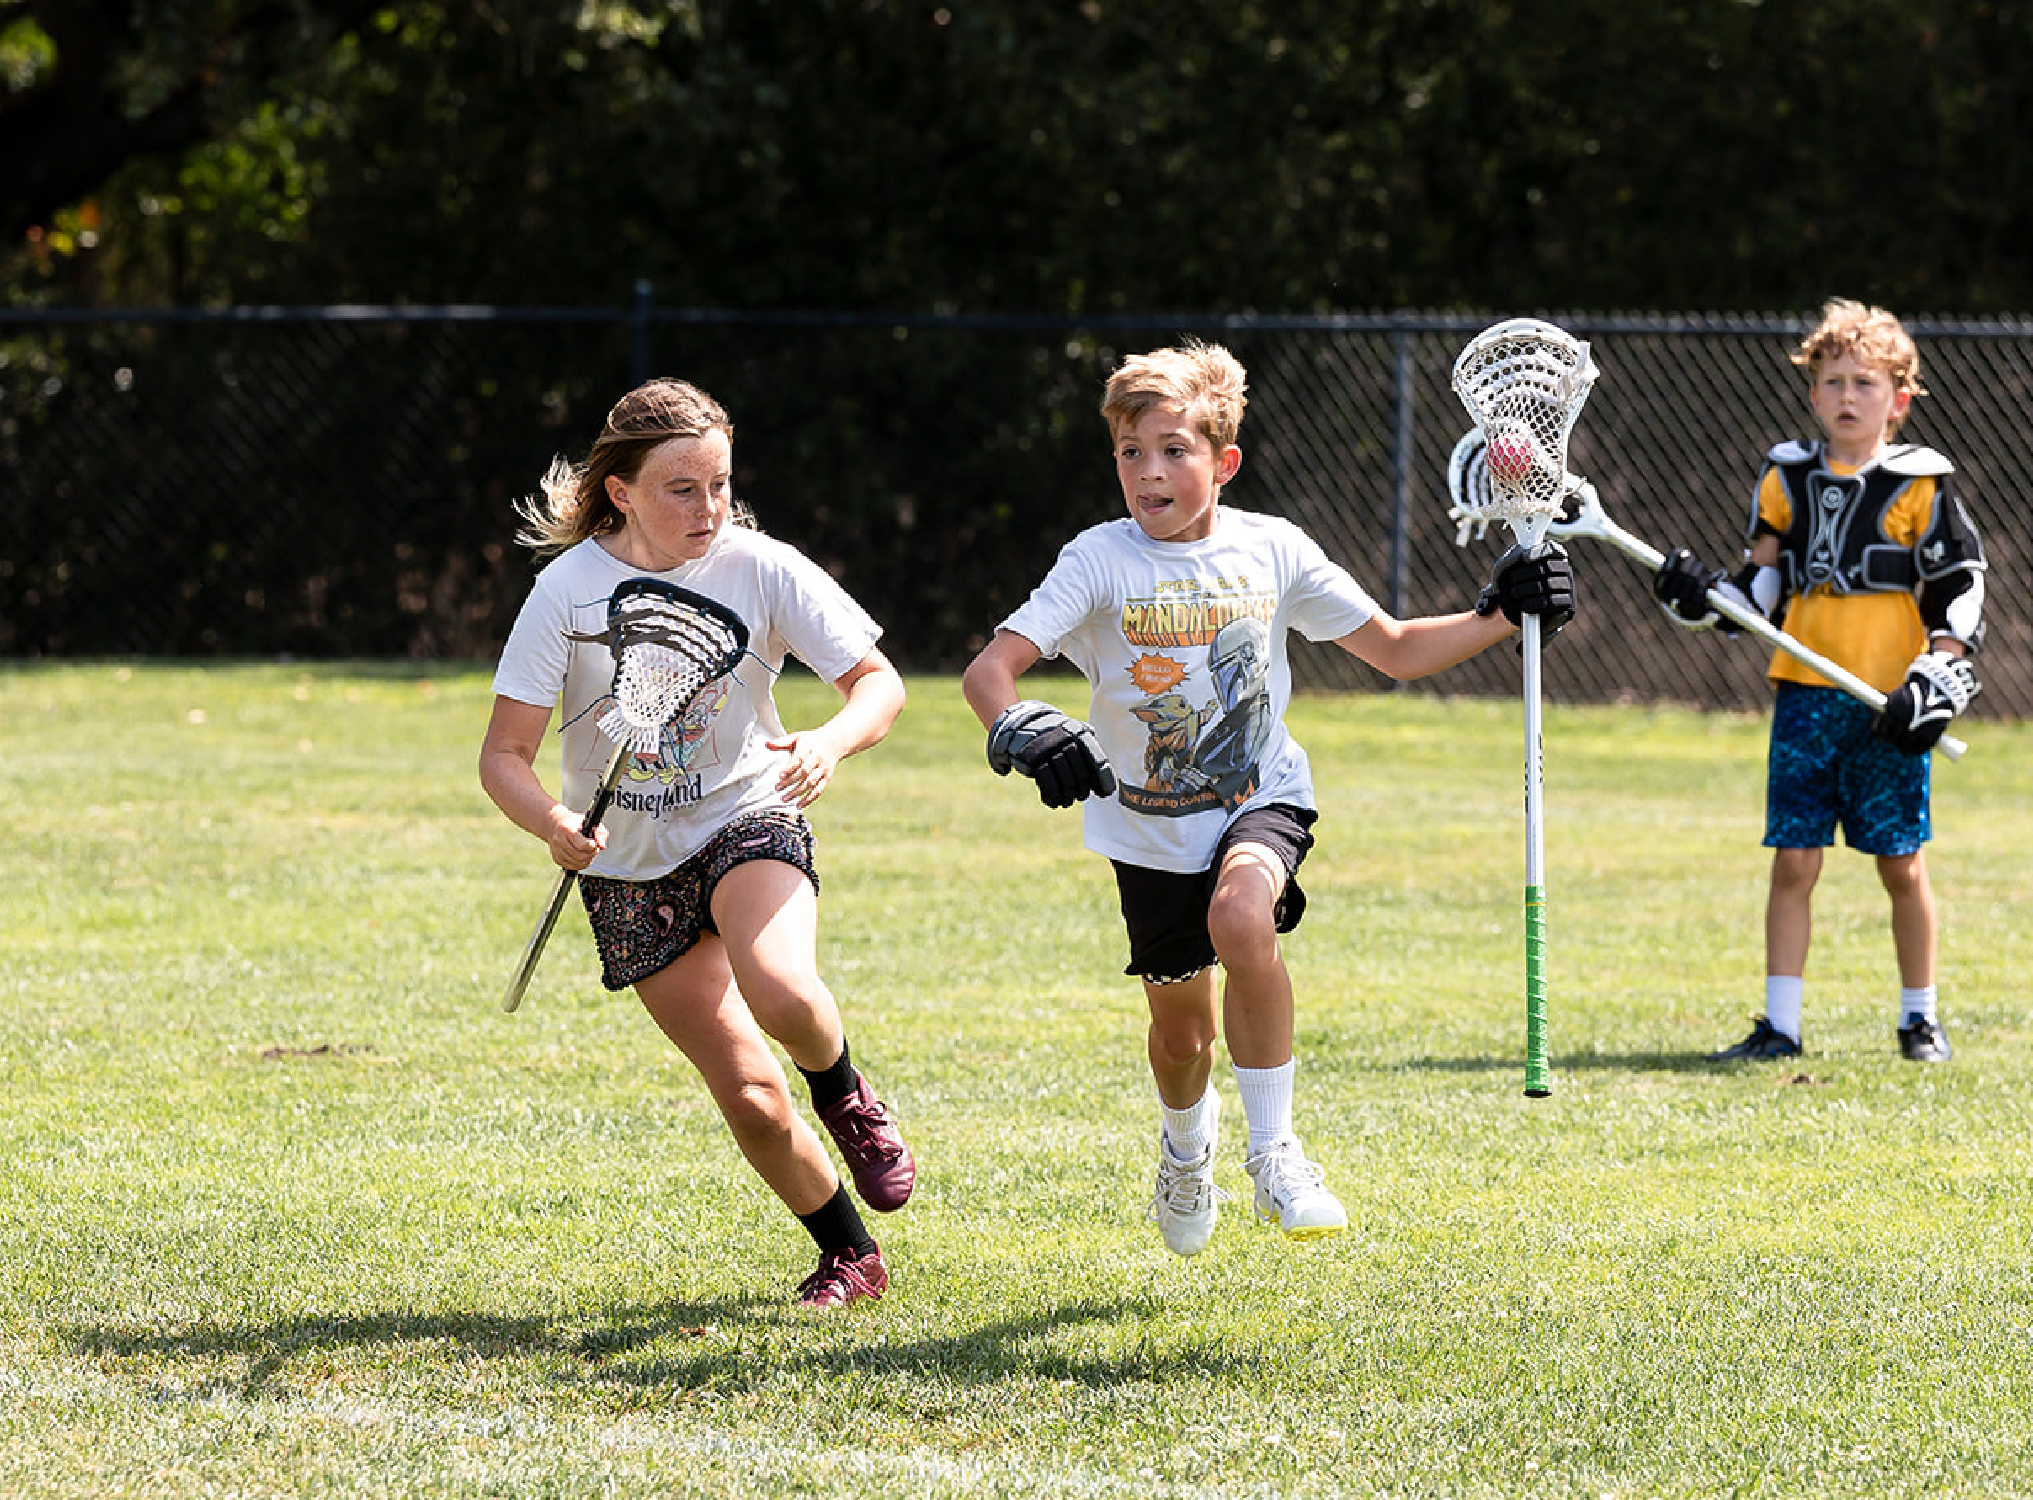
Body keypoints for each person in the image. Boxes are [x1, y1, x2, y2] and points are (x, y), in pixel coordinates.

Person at [960, 340, 1577, 1255]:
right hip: (1147, 829)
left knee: (1241, 917)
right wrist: (1020, 726)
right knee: (1181, 1040)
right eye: (1131, 452)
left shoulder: (1272, 549)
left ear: (1225, 462)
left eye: (1173, 450)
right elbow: (990, 671)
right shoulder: (1097, 560)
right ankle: (1185, 1148)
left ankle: (1276, 1152)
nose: (1148, 471)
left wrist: (1503, 612)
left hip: (1261, 795)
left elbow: (1396, 649)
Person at [479, 377, 916, 1309]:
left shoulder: (761, 567)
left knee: (781, 986)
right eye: (682, 489)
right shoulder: (567, 592)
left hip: (744, 813)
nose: (708, 508)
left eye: (719, 484)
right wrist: (551, 822)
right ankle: (850, 1255)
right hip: (627, 868)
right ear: (622, 492)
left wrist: (830, 742)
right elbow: (504, 756)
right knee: (751, 1096)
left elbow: (878, 683)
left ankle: (843, 1092)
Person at [1649, 299, 1989, 1065]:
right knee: (1795, 859)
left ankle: (1920, 1019)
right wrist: (1702, 598)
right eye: (1833, 381)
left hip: (1888, 703)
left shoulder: (1921, 485)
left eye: (1865, 383)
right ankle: (1781, 1025)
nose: (1847, 397)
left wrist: (1940, 675)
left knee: (1900, 862)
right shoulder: (1787, 477)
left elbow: (1959, 585)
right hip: (1805, 693)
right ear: (1812, 394)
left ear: (1899, 399)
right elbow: (1759, 593)